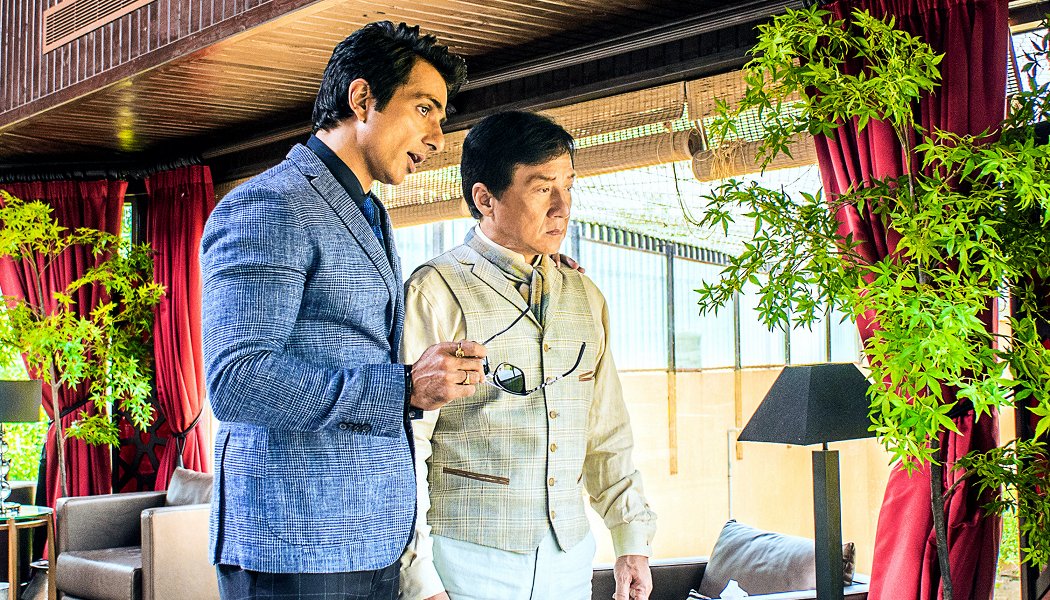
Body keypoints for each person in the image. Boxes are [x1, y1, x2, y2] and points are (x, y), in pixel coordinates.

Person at [200, 22, 484, 599]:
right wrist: (403, 387)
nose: (438, 137)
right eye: (424, 109)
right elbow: (237, 381)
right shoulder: (270, 204)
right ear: (362, 100)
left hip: (370, 539)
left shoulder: (370, 212)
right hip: (293, 545)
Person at [399, 111, 657, 600]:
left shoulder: (586, 296)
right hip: (465, 560)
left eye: (568, 186)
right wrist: (418, 577)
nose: (562, 207)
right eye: (542, 189)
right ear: (485, 199)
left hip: (570, 559)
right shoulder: (434, 291)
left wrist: (631, 541)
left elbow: (606, 431)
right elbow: (407, 443)